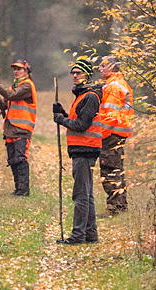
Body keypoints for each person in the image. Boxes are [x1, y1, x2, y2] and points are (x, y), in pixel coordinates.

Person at [52, 59, 103, 245]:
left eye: (79, 73)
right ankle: (90, 235)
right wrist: (64, 114)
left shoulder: (90, 96)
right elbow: (77, 121)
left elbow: (81, 125)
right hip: (83, 149)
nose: (74, 75)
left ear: (87, 75)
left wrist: (61, 120)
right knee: (86, 194)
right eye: (73, 73)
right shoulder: (83, 96)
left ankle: (77, 236)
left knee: (80, 194)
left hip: (86, 150)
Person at [0, 60, 37, 196]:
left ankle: (24, 190)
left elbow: (11, 96)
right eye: (14, 69)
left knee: (21, 158)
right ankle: (18, 189)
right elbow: (4, 105)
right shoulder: (13, 87)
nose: (16, 71)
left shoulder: (27, 86)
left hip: (22, 128)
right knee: (13, 160)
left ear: (26, 71)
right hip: (10, 128)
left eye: (19, 69)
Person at [96, 56, 133, 216]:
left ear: (112, 67)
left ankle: (114, 208)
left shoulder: (112, 87)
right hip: (118, 133)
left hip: (111, 134)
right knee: (117, 170)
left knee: (109, 170)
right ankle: (120, 207)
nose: (99, 68)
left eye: (103, 66)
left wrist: (100, 134)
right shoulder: (119, 83)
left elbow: (109, 116)